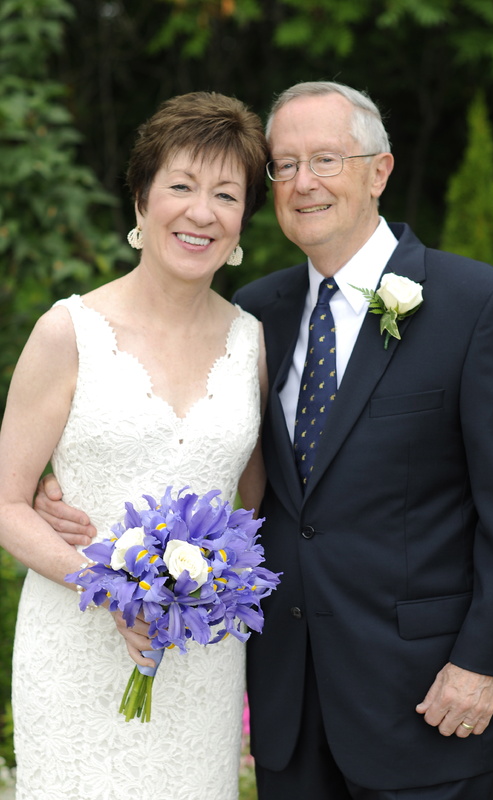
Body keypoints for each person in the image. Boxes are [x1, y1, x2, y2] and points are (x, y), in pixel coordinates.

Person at [36, 80, 493, 800]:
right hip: (288, 710)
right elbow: (222, 468)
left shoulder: (476, 306)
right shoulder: (254, 315)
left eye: (325, 159)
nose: (303, 183)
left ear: (379, 171)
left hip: (431, 705)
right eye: (285, 165)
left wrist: (483, 665)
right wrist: (68, 488)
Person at [0, 91, 268, 800]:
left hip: (200, 658)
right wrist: (109, 587)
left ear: (242, 219)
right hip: (77, 640)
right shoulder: (69, 332)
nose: (201, 211)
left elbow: (260, 501)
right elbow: (5, 502)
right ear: (142, 199)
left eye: (226, 193)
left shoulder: (250, 341)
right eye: (180, 186)